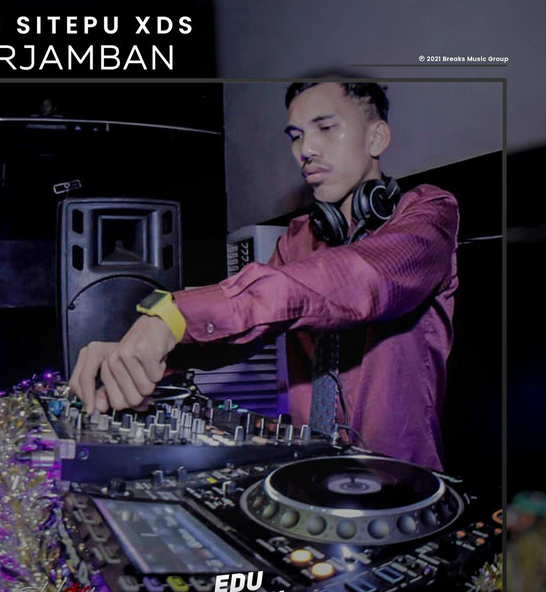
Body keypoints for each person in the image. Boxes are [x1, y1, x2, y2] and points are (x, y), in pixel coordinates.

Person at [69, 82, 459, 471]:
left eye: (325, 128)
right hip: (309, 473)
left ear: (376, 137)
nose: (306, 150)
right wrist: (142, 357)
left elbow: (360, 279)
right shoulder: (298, 239)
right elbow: (242, 331)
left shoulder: (428, 215)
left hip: (403, 482)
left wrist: (173, 313)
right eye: (296, 136)